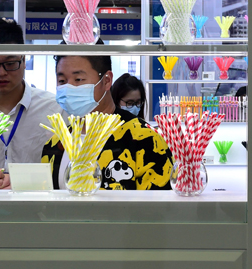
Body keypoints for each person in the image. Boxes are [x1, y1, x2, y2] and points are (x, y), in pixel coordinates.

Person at [41, 52, 174, 190]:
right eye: (62, 81)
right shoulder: (55, 144)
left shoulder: (144, 139)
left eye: (79, 79)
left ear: (107, 80)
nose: (69, 88)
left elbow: (160, 202)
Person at [0, 19, 63, 184]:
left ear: (23, 59)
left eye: (10, 63)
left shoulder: (56, 110)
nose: (1, 72)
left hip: (40, 198)